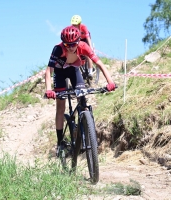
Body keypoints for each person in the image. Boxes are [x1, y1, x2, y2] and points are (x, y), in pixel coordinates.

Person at [44, 25, 116, 156]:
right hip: (59, 73)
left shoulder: (84, 46)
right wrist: (49, 90)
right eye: (67, 44)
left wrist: (110, 82)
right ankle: (60, 142)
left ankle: (87, 130)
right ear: (63, 43)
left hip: (74, 71)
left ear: (78, 41)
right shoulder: (58, 49)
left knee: (83, 98)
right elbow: (49, 70)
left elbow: (99, 63)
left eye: (73, 44)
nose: (71, 47)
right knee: (60, 106)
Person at [70, 15, 95, 79]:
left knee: (87, 54)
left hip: (85, 39)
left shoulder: (84, 27)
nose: (74, 26)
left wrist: (91, 48)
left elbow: (88, 38)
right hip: (77, 39)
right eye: (73, 24)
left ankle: (90, 72)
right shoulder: (71, 28)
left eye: (76, 24)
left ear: (79, 24)